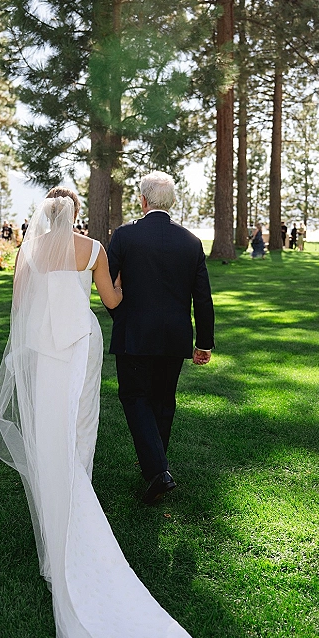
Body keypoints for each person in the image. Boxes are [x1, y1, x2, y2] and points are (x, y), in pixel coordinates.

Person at [0, 184, 255, 638]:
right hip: (81, 343)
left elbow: (18, 305)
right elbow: (111, 301)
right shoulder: (92, 249)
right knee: (82, 424)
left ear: (43, 216)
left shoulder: (30, 251)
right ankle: (79, 485)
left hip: (41, 346)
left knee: (46, 426)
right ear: (76, 215)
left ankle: (57, 490)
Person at [107, 172, 215, 504]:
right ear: (171, 203)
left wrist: (120, 318)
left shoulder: (125, 236)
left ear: (143, 201)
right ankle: (155, 468)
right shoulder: (191, 242)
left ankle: (157, 470)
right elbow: (203, 297)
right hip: (175, 336)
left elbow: (107, 286)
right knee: (163, 401)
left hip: (134, 333)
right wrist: (204, 342)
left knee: (135, 397)